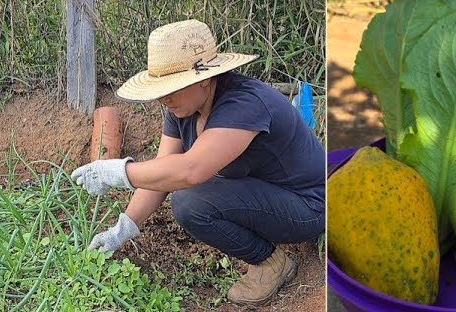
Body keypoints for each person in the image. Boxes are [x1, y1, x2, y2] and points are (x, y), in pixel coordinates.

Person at [69, 20, 325, 306]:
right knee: (190, 196)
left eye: (172, 88)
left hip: (310, 206)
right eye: (162, 90)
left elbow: (191, 170)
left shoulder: (243, 104)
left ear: (203, 78)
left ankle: (271, 264)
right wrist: (124, 228)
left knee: (191, 203)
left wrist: (119, 172)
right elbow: (164, 172)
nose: (164, 98)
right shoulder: (182, 108)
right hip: (266, 194)